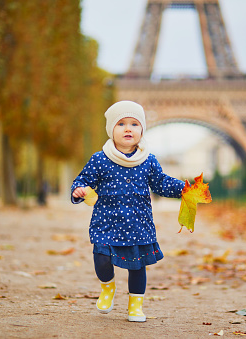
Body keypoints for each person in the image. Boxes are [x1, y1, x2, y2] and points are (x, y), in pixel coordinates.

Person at [71, 100, 185, 322]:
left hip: (138, 224)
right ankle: (108, 287)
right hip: (106, 222)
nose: (128, 128)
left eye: (134, 124)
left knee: (138, 266)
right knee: (101, 258)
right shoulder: (100, 160)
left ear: (142, 130)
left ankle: (135, 306)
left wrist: (183, 188)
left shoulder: (149, 160)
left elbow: (161, 183)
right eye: (121, 123)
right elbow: (83, 179)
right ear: (111, 129)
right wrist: (79, 189)